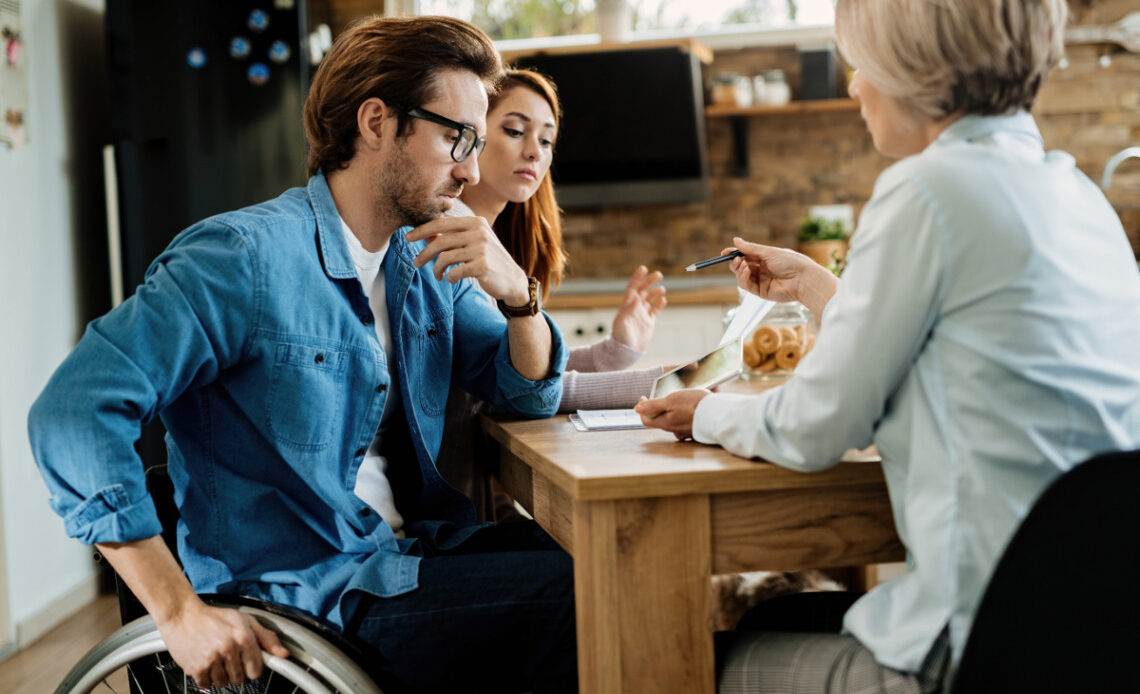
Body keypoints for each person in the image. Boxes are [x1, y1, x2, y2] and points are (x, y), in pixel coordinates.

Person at [29, 16, 578, 694]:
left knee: (603, 563)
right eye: (455, 136)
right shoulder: (243, 258)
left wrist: (519, 297)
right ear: (377, 122)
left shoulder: (423, 258)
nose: (471, 167)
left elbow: (528, 394)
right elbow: (71, 412)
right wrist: (176, 612)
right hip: (310, 608)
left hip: (406, 560)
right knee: (590, 605)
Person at [635, 0, 1140, 692]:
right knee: (785, 615)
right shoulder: (1079, 196)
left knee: (669, 660)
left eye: (862, 64)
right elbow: (945, 351)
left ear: (918, 71)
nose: (853, 86)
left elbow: (817, 426)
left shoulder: (927, 191)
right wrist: (816, 285)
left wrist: (704, 414)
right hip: (1093, 637)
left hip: (973, 653)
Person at [437, 68, 669, 521]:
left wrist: (614, 353)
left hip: (476, 487)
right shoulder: (454, 241)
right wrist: (669, 382)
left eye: (546, 141)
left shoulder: (493, 245)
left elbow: (521, 373)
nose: (533, 152)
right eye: (514, 130)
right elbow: (519, 390)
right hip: (450, 510)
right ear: (472, 135)